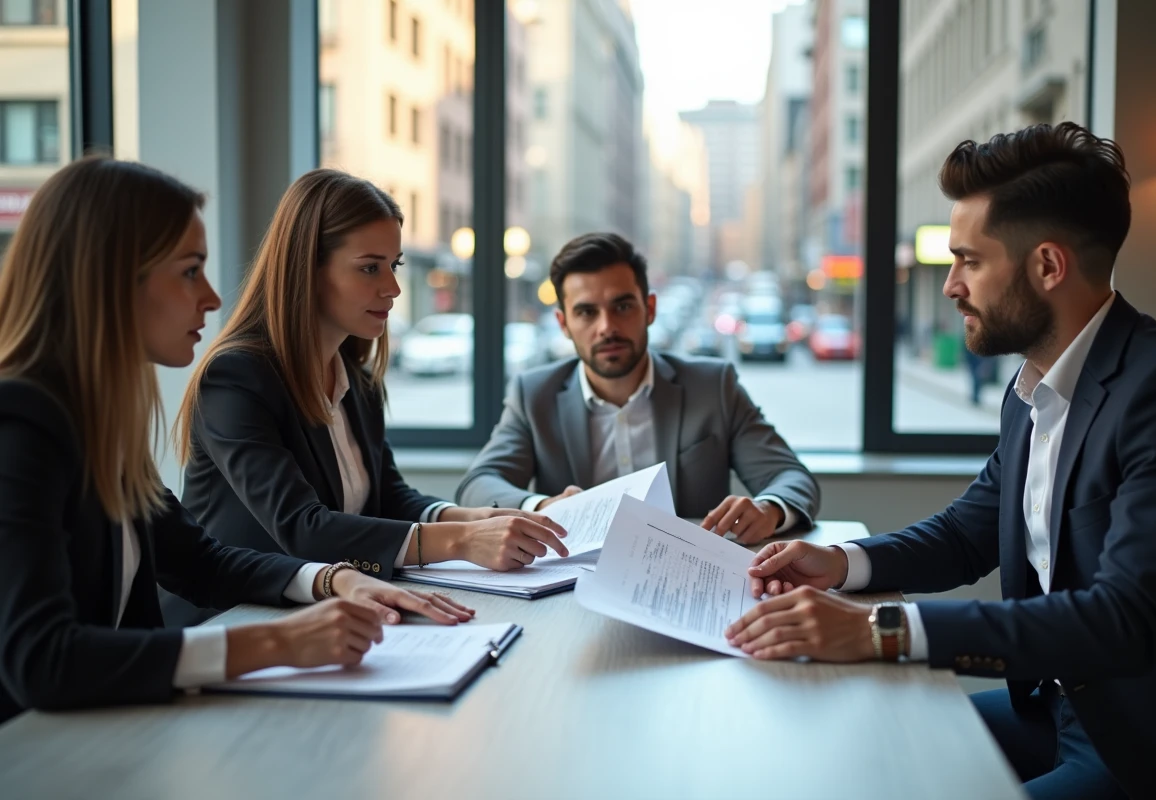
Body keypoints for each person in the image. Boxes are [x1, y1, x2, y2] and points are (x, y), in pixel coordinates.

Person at [722, 122, 1156, 798]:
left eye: (968, 261)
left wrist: (881, 629)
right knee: (864, 747)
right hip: (1052, 708)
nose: (950, 285)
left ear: (1048, 266)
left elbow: (1126, 617)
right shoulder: (1032, 388)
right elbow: (967, 533)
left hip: (1142, 746)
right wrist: (840, 563)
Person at [0, 157, 474, 723]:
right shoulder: (20, 424)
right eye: (190, 271)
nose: (210, 297)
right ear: (107, 278)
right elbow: (42, 660)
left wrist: (330, 579)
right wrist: (276, 642)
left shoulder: (95, 419)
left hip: (121, 726)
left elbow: (197, 560)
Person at [174, 169, 567, 619]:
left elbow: (389, 497)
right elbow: (302, 528)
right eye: (369, 268)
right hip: (230, 617)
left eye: (394, 265)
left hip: (323, 614)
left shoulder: (356, 380)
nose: (393, 288)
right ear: (307, 269)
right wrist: (462, 540)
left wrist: (474, 519)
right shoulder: (235, 378)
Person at [456, 232, 820, 544]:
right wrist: (541, 507)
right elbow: (478, 485)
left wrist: (769, 509)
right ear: (564, 324)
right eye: (586, 312)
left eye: (622, 306)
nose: (607, 327)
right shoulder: (535, 394)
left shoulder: (713, 387)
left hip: (689, 577)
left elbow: (791, 477)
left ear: (650, 309)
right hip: (572, 585)